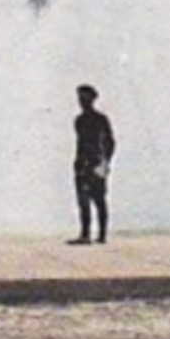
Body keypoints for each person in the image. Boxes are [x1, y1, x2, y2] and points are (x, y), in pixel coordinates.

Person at [69, 84, 115, 245]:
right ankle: (85, 234)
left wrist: (105, 162)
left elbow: (110, 142)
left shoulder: (100, 119)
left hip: (96, 163)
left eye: (84, 98)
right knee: (83, 200)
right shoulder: (79, 120)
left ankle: (102, 234)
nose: (81, 101)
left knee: (99, 199)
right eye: (80, 98)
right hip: (82, 163)